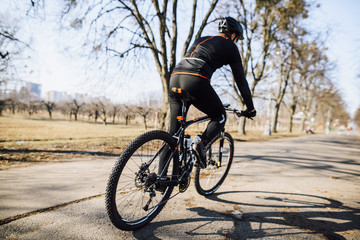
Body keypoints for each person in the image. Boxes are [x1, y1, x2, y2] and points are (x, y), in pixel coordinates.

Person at [168, 16, 256, 169]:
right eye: (237, 38)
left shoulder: (202, 39)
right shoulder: (231, 46)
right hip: (196, 79)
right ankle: (200, 144)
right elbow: (241, 82)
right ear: (234, 35)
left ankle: (163, 181)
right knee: (220, 115)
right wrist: (250, 108)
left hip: (175, 77)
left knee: (172, 135)